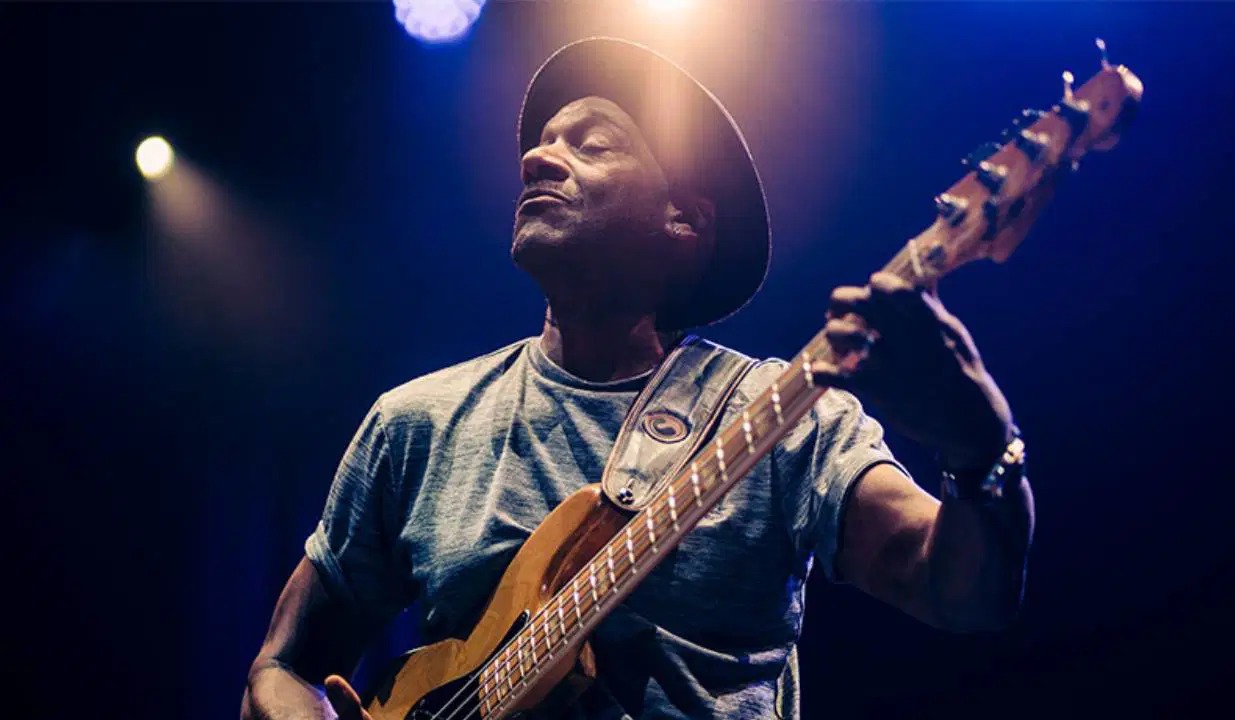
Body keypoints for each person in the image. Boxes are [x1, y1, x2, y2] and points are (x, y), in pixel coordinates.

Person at [242, 37, 1034, 720]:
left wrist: (979, 441)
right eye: (542, 142)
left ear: (684, 221)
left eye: (591, 144)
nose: (537, 157)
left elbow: (962, 592)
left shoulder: (778, 413)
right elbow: (280, 667)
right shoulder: (417, 423)